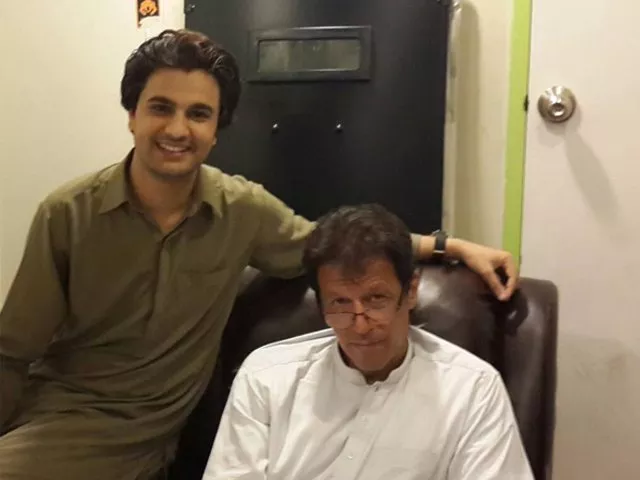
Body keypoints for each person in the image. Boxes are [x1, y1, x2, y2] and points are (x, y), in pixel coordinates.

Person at [0, 29, 518, 480]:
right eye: (161, 108)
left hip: (141, 433)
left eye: (198, 114)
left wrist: (448, 245)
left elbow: (334, 245)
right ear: (132, 115)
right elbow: (12, 351)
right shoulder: (68, 213)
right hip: (55, 414)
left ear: (216, 131)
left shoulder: (241, 211)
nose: (178, 130)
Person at [204, 204, 533, 480]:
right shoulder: (266, 378)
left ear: (411, 291)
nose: (360, 326)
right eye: (340, 303)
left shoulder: (472, 389)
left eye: (376, 299)